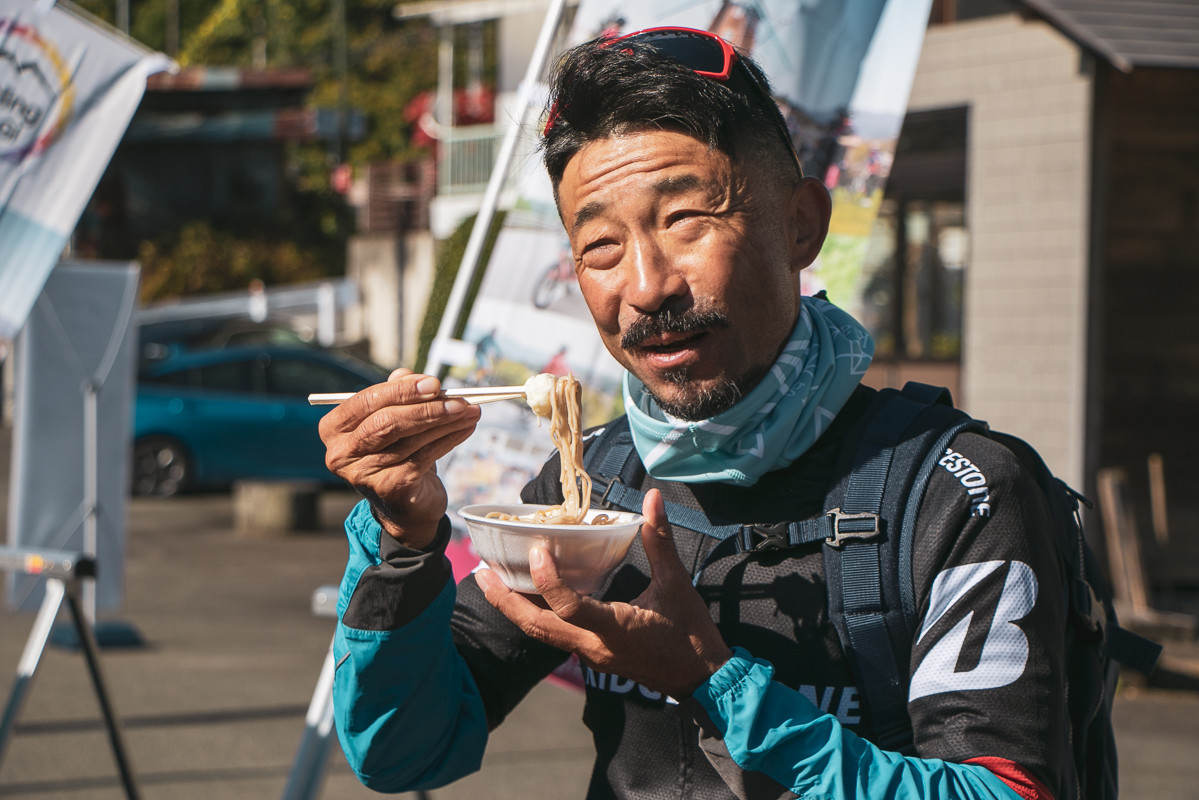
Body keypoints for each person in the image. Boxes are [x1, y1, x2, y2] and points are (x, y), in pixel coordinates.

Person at [319, 27, 1066, 800]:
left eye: (685, 221)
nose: (646, 287)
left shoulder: (956, 493)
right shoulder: (592, 489)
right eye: (601, 247)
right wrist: (402, 545)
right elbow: (403, 752)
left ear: (801, 225)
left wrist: (713, 680)